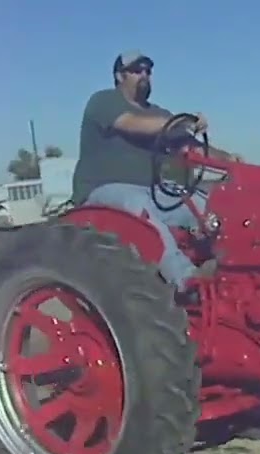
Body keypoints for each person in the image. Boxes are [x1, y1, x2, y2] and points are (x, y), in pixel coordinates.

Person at [72, 50, 225, 290]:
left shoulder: (159, 114)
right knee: (136, 205)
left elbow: (188, 147)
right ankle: (187, 279)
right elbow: (133, 125)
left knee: (205, 205)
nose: (144, 75)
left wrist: (231, 160)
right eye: (136, 70)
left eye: (148, 71)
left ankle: (228, 266)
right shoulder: (104, 101)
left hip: (152, 192)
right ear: (119, 76)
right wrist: (184, 121)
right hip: (103, 192)